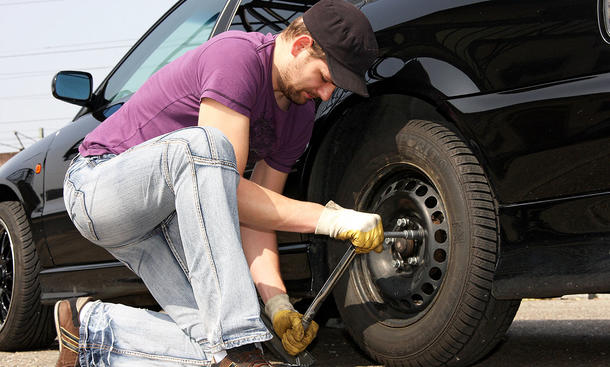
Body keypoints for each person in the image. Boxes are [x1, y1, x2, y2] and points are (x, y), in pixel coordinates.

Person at [55, 0, 381, 366]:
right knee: (207, 146)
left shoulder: (299, 115)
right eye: (324, 77)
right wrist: (330, 219)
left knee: (217, 340)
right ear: (300, 45)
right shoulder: (237, 57)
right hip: (100, 185)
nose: (324, 95)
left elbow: (257, 214)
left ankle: (89, 327)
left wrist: (277, 303)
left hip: (167, 217)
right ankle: (241, 345)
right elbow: (221, 177)